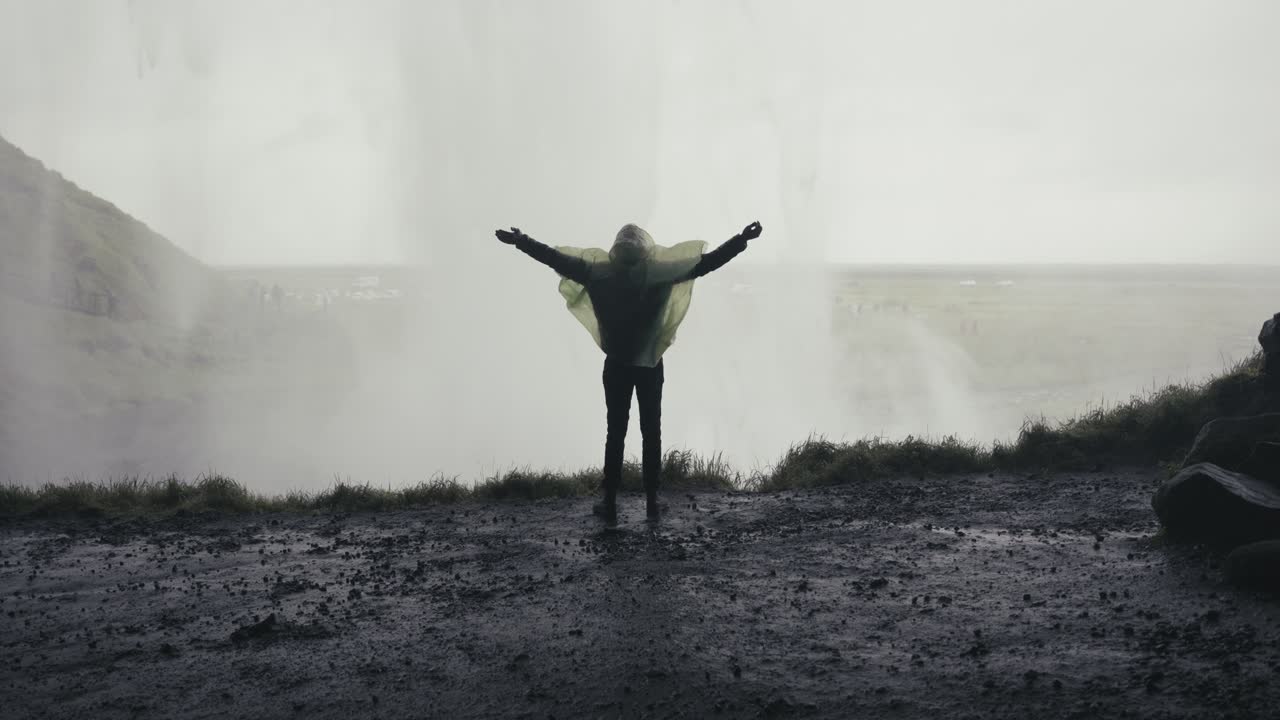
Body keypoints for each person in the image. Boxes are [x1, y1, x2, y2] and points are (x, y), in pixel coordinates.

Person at [496, 221, 763, 524]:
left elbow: (552, 258)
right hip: (650, 366)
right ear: (645, 249)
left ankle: (610, 500)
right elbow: (707, 263)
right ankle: (652, 500)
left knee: (615, 432)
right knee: (651, 431)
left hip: (616, 366)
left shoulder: (596, 272)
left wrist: (521, 240)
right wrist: (741, 239)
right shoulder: (660, 273)